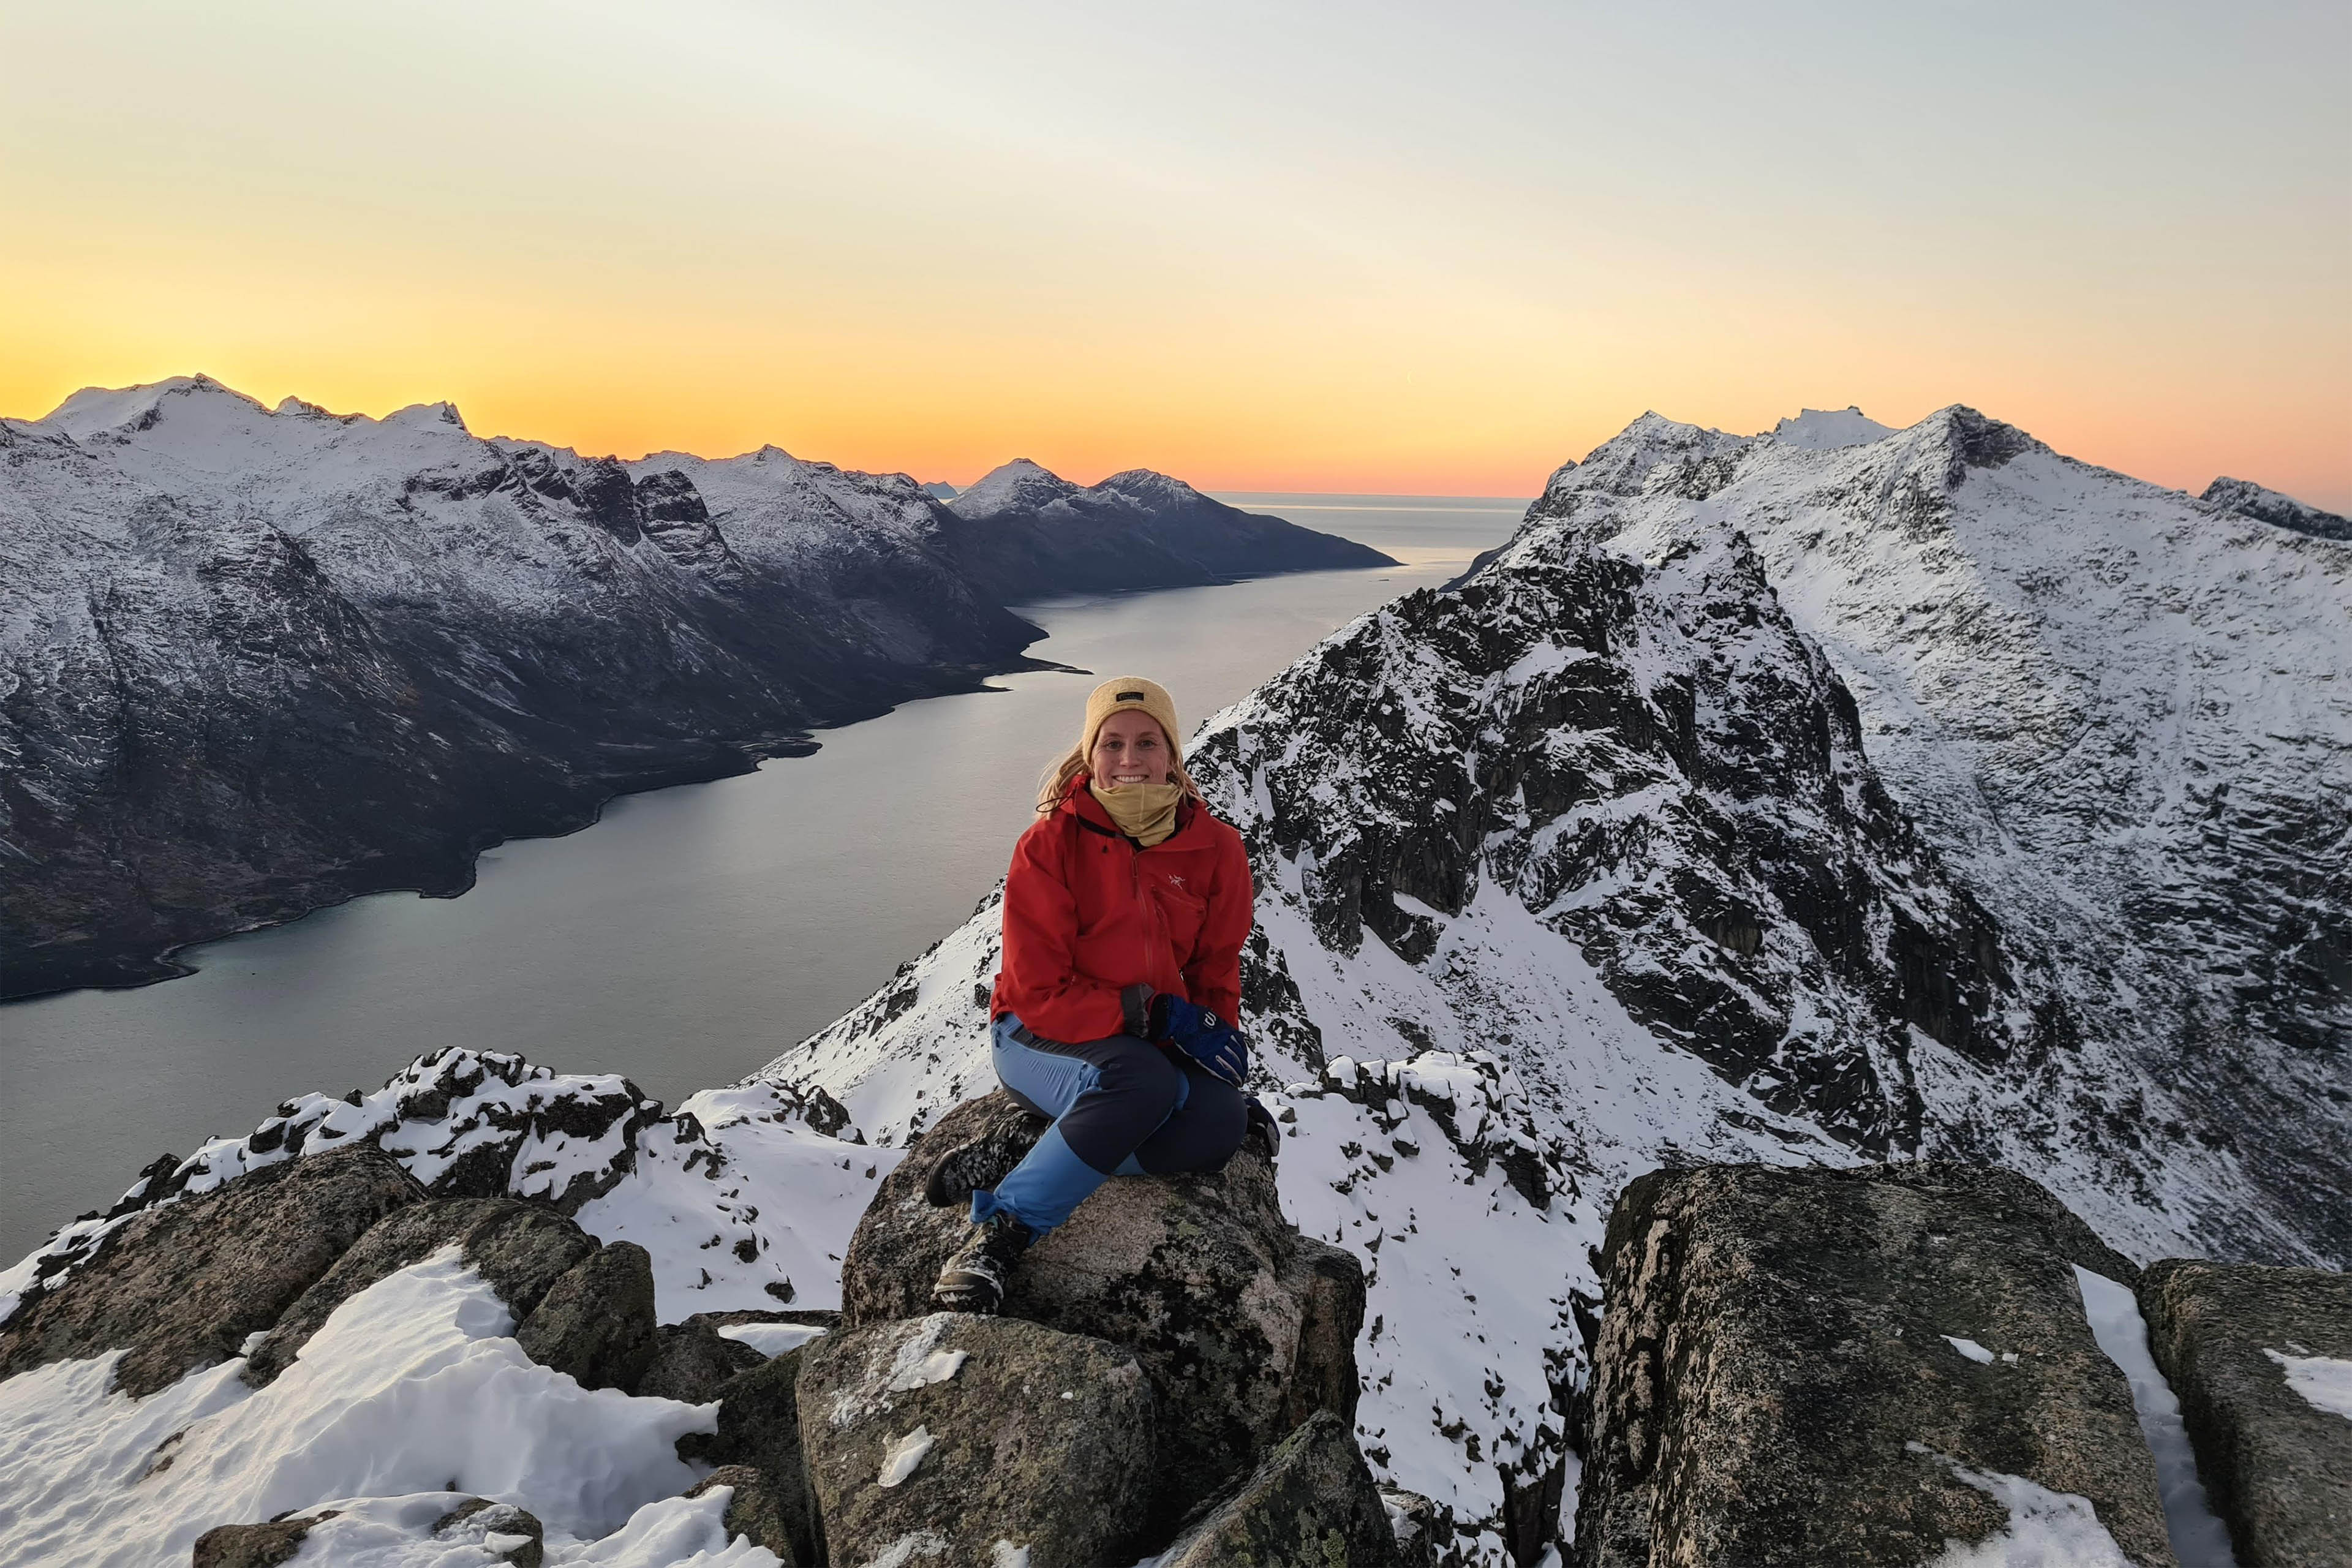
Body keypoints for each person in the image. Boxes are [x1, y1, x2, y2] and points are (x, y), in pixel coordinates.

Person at [927, 676, 1265, 1313]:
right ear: (1090, 755)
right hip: (1035, 1032)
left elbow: (1216, 966)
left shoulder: (1216, 849)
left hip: (1140, 1038)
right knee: (1143, 1085)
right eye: (1112, 744)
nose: (1129, 760)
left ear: (1173, 756)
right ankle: (1001, 1233)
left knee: (1220, 1125)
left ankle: (1036, 1145)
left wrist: (1211, 1036)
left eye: (1146, 743)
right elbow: (1038, 989)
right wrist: (1151, 1014)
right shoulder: (1050, 845)